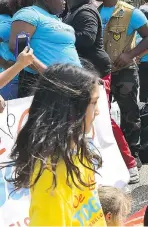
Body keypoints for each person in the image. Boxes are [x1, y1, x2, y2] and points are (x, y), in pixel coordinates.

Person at [63, 0, 141, 184]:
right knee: (89, 121)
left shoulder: (88, 12)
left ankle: (130, 162)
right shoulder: (85, 9)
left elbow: (87, 38)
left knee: (105, 119)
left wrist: (61, 33)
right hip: (90, 71)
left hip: (99, 72)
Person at [9, 64, 106, 226]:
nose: (97, 111)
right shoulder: (51, 174)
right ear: (71, 108)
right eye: (93, 103)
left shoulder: (78, 150)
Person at [96, 0, 148, 166]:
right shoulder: (94, 11)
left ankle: (132, 154)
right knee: (100, 114)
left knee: (130, 114)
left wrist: (130, 55)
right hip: (99, 73)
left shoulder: (131, 12)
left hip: (124, 71)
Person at [10, 0, 81, 97]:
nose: (65, 2)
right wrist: (50, 74)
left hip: (69, 83)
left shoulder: (55, 18)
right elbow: (19, 49)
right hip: (43, 84)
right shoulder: (28, 14)